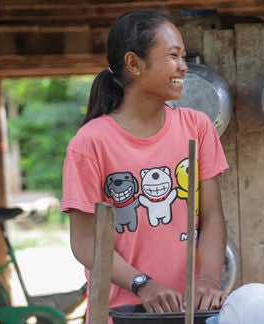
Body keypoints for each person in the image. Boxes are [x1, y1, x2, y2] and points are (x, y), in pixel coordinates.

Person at [61, 8, 229, 319]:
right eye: (173, 56)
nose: (184, 67)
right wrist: (142, 285)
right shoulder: (90, 143)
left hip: (190, 313)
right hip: (121, 314)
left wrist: (206, 280)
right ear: (134, 64)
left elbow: (213, 217)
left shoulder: (197, 127)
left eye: (184, 56)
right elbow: (84, 241)